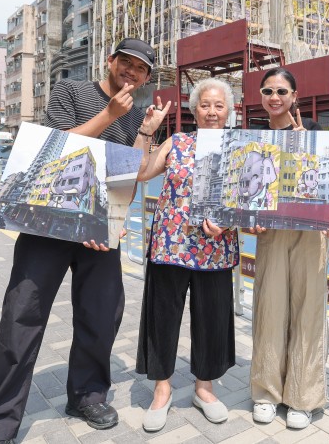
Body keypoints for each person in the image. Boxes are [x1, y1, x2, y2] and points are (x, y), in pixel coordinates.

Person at [0, 38, 170, 444]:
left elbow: (130, 177)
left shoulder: (137, 116)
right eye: (126, 62)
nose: (132, 72)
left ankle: (87, 395)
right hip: (47, 224)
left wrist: (145, 133)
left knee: (101, 315)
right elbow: (52, 149)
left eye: (141, 68)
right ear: (110, 61)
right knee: (21, 316)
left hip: (98, 230)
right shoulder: (72, 90)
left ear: (146, 78)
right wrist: (109, 114)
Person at [135, 77, 240, 433]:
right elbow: (141, 172)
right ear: (194, 110)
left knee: (212, 318)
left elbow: (252, 196)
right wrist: (147, 132)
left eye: (219, 105)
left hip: (215, 249)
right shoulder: (176, 142)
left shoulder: (240, 148)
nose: (211, 111)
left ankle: (204, 388)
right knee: (163, 318)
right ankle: (162, 389)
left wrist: (228, 221)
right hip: (171, 245)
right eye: (205, 105)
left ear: (229, 111)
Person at [248, 67, 327, 430]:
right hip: (272, 233)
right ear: (261, 97)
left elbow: (323, 183)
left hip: (310, 234)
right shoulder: (254, 137)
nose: (275, 97)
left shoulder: (312, 131)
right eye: (268, 91)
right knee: (270, 309)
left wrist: (303, 147)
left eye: (282, 91)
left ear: (295, 96)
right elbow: (247, 190)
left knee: (308, 311)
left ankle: (302, 397)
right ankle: (266, 393)